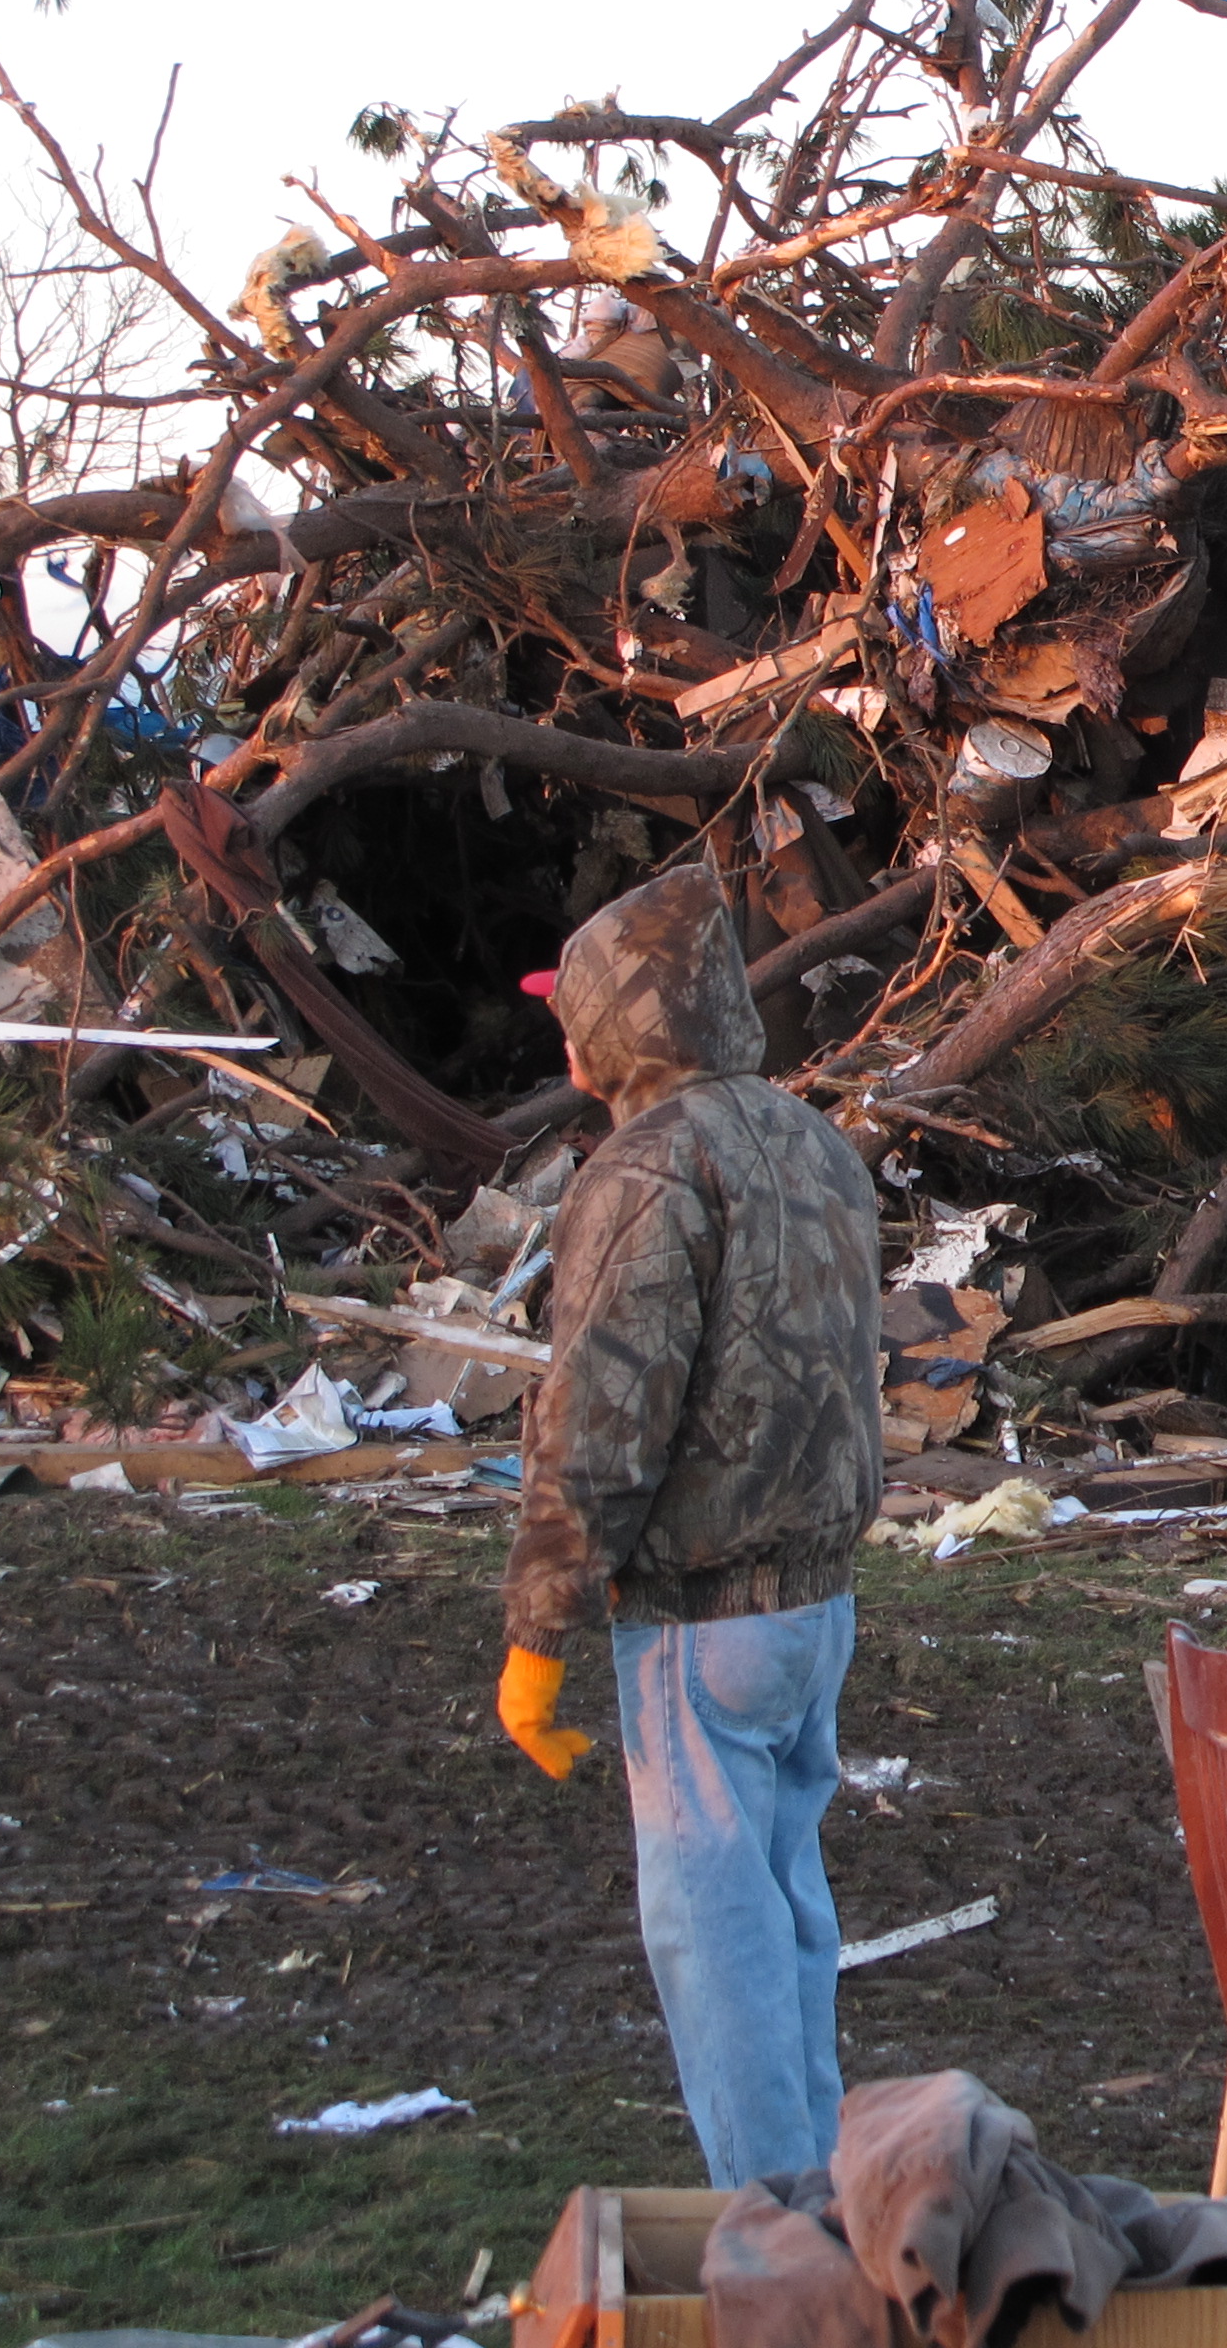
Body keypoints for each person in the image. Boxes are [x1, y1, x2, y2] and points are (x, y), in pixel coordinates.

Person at [494, 865, 884, 2188]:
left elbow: (600, 1417)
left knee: (711, 1927)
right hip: (817, 1608)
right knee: (787, 1916)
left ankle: (774, 2231)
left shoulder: (645, 1169)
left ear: (622, 1028)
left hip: (700, 1623)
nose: (564, 1037)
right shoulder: (814, 1142)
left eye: (574, 1013)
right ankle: (819, 2194)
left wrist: (538, 1631)